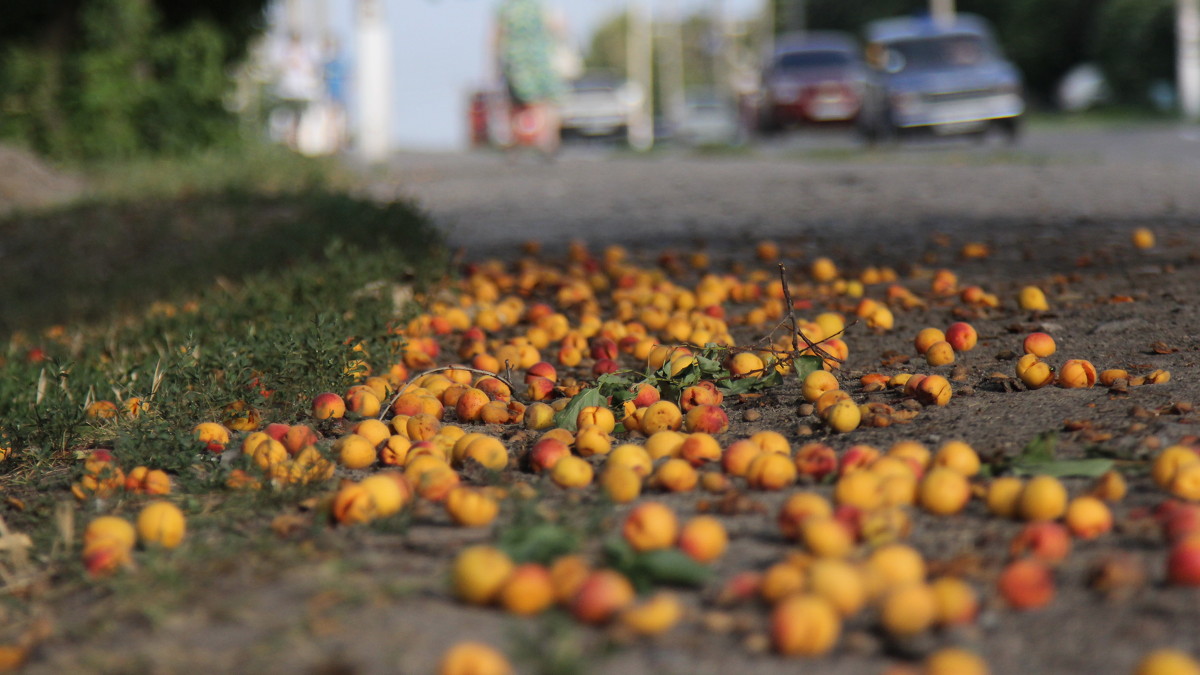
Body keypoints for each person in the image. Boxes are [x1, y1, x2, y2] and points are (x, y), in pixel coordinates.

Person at [493, 0, 566, 157]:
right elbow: (558, 27)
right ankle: (548, 139)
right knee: (545, 101)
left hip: (516, 59)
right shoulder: (540, 6)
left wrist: (494, 62)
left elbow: (496, 34)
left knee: (515, 101)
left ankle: (512, 138)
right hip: (540, 58)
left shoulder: (507, 7)